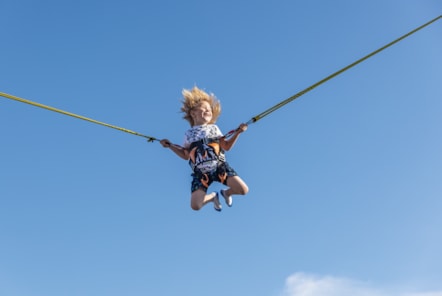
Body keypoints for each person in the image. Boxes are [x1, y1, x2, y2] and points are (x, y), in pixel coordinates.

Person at [160, 86, 249, 211]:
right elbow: (186, 155)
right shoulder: (188, 134)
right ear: (193, 113)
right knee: (195, 205)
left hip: (219, 168)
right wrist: (170, 146)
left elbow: (226, 146)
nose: (208, 111)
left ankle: (226, 193)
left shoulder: (214, 128)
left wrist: (238, 133)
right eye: (205, 108)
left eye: (210, 110)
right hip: (200, 174)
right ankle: (213, 197)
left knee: (243, 189)